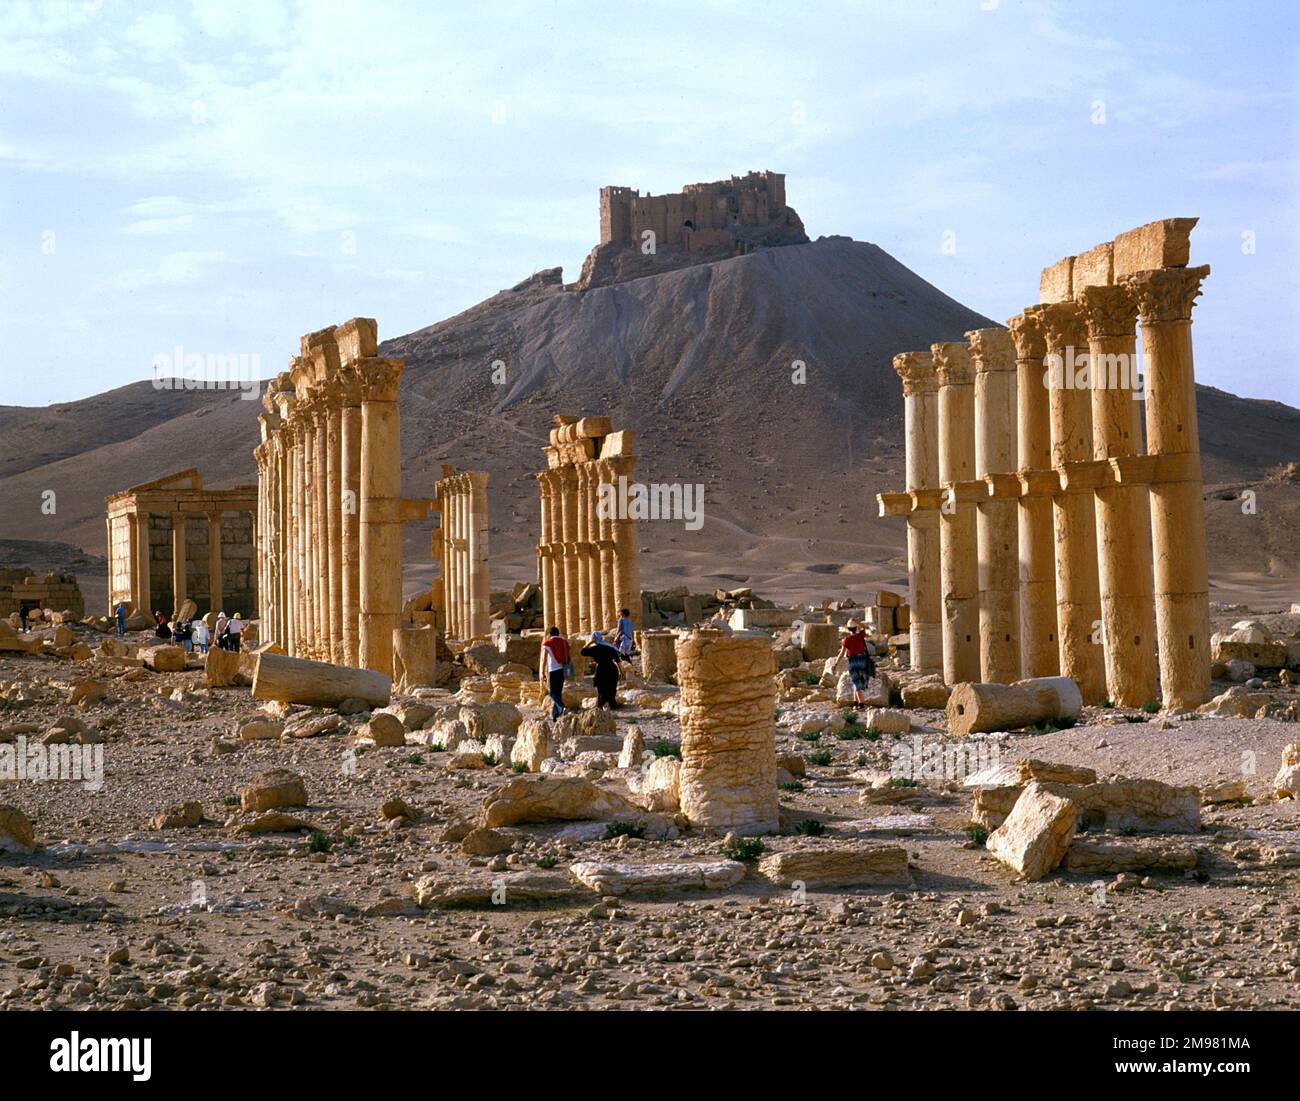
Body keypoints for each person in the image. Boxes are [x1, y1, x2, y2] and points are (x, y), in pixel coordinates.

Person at [581, 630, 627, 711]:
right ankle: (612, 706)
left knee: (601, 690)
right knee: (611, 689)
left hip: (601, 670)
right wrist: (622, 673)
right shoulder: (610, 647)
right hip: (612, 670)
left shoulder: (594, 649)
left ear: (594, 638)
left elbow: (582, 651)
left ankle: (601, 707)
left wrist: (590, 642)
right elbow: (618, 662)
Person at [834, 618, 875, 709]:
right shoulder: (860, 636)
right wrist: (858, 622)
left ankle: (861, 703)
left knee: (856, 681)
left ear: (848, 629)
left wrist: (836, 664)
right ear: (856, 627)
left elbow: (841, 654)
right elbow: (864, 627)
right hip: (862, 660)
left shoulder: (846, 640)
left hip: (853, 661)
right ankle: (855, 702)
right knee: (857, 682)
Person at [540, 626, 570, 721]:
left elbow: (544, 658)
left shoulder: (547, 644)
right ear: (558, 633)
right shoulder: (564, 642)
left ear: (549, 634)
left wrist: (542, 672)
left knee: (552, 693)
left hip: (553, 670)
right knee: (558, 693)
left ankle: (562, 707)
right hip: (562, 670)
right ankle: (555, 716)